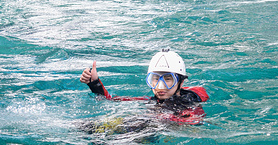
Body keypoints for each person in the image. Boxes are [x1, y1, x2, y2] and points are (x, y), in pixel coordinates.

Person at [80, 49, 209, 124]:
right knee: (86, 126)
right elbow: (112, 99)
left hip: (155, 131)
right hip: (148, 123)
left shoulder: (190, 104)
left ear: (181, 82)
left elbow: (194, 122)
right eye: (155, 79)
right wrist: (94, 83)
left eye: (168, 79)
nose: (160, 86)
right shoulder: (150, 101)